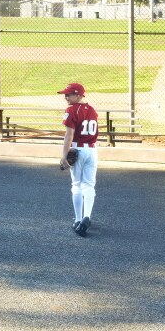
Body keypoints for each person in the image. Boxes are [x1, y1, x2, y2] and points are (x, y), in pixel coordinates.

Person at [58, 82, 99, 237]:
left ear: (79, 95)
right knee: (89, 185)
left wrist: (64, 155)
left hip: (78, 149)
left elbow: (69, 135)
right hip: (92, 150)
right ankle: (87, 216)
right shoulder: (92, 110)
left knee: (76, 185)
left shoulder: (71, 110)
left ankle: (78, 219)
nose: (66, 97)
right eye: (65, 94)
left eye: (69, 94)